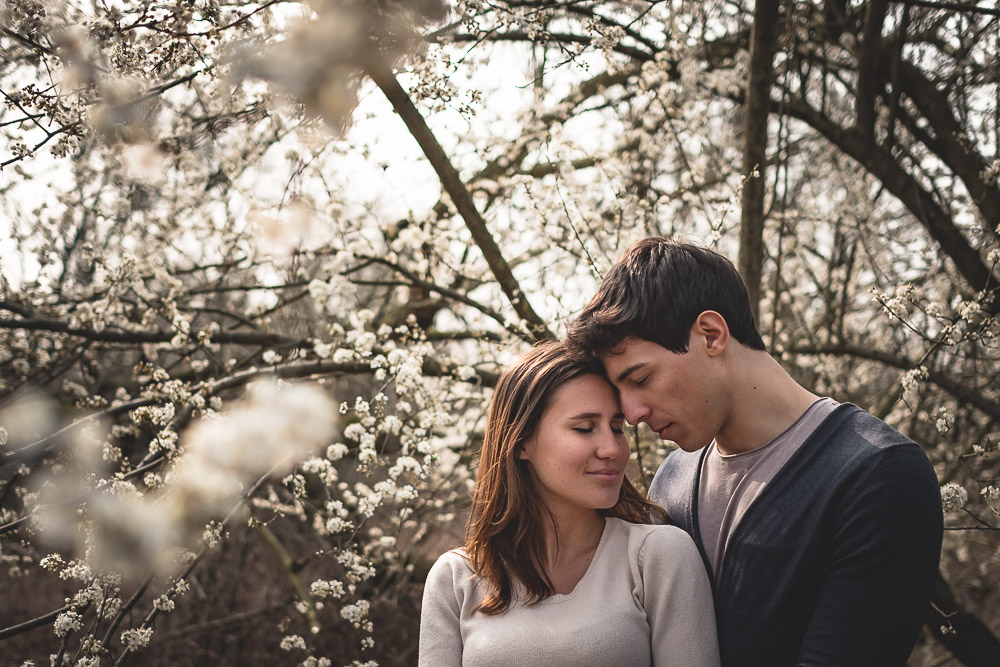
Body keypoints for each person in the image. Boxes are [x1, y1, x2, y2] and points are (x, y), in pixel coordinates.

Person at [565, 237, 944, 667]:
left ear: (711, 334)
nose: (631, 414)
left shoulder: (877, 474)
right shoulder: (673, 478)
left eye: (641, 378)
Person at [418, 341, 721, 667]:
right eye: (584, 428)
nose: (612, 449)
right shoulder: (455, 578)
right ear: (521, 443)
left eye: (617, 428)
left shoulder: (657, 557)